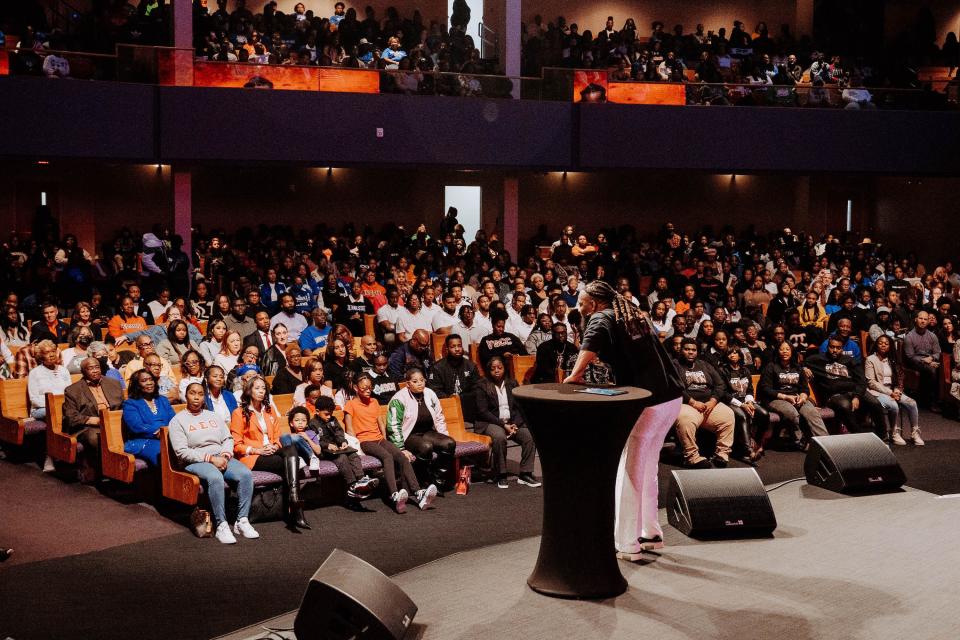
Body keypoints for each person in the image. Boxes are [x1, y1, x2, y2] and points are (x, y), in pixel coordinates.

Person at [563, 279, 683, 559]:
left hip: (649, 402)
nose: (578, 307)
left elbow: (581, 364)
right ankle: (650, 534)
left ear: (594, 302)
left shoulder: (600, 318)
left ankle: (627, 543)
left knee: (629, 469)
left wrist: (573, 376)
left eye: (581, 302)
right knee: (648, 466)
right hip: (672, 397)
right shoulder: (632, 314)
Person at [169, 382, 259, 544]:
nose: (196, 397)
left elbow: (227, 438)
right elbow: (182, 452)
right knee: (215, 477)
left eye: (200, 394)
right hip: (195, 460)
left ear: (205, 396)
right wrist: (211, 459)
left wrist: (225, 454)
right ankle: (222, 524)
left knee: (245, 474)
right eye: (192, 393)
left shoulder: (213, 416)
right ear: (186, 395)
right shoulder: (178, 420)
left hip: (220, 455)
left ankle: (242, 520)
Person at [230, 376, 310, 529]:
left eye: (263, 388)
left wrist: (275, 445)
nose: (261, 391)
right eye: (257, 388)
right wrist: (257, 449)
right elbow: (236, 444)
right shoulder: (238, 413)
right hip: (253, 457)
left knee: (290, 450)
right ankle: (296, 510)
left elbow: (278, 437)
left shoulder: (269, 410)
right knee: (292, 463)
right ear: (249, 390)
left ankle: (293, 499)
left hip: (272, 452)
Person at [344, 373, 424, 513]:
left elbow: (381, 423)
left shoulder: (374, 402)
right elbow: (349, 429)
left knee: (400, 455)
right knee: (387, 456)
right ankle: (394, 494)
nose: (368, 390)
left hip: (379, 438)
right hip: (364, 441)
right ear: (356, 388)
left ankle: (418, 493)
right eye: (364, 388)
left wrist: (385, 440)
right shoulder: (350, 404)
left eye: (370, 387)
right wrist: (356, 448)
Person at [474, 357, 539, 489]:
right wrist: (503, 425)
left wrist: (515, 423)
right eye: (493, 369)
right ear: (488, 370)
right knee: (499, 437)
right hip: (490, 422)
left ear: (505, 368)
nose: (497, 371)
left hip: (510, 422)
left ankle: (525, 473)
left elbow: (520, 407)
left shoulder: (512, 383)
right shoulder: (481, 385)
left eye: (500, 368)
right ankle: (501, 474)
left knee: (529, 437)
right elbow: (483, 412)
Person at [387, 368, 453, 494]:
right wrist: (400, 448)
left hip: (427, 432)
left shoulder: (430, 394)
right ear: (408, 384)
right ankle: (423, 479)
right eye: (415, 381)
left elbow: (439, 416)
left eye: (422, 380)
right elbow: (393, 425)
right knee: (425, 447)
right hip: (408, 435)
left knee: (449, 443)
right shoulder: (399, 399)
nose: (420, 383)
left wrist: (443, 435)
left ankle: (437, 478)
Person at [806, 335, 886, 438]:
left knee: (875, 403)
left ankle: (882, 435)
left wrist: (857, 396)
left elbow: (861, 380)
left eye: (838, 348)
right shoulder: (818, 359)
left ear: (842, 348)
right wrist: (804, 368)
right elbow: (798, 364)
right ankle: (859, 437)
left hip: (853, 391)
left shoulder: (850, 361)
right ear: (828, 347)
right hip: (834, 395)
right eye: (832, 347)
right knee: (845, 406)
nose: (835, 350)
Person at [300, 400, 378, 499]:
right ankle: (352, 484)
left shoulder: (333, 420)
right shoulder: (312, 424)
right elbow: (314, 440)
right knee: (342, 458)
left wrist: (343, 442)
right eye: (326, 414)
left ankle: (361, 479)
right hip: (324, 451)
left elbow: (339, 432)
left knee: (353, 455)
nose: (329, 416)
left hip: (338, 448)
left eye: (331, 414)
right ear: (317, 411)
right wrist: (327, 445)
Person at [62, 356, 124, 481]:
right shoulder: (73, 390)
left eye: (97, 367)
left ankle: (122, 469)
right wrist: (95, 420)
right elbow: (71, 417)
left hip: (114, 422)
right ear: (84, 371)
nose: (95, 370)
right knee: (96, 437)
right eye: (90, 368)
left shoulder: (114, 384)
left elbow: (124, 406)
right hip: (89, 427)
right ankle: (105, 470)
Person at [759, 342, 827, 448]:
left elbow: (804, 388)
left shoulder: (798, 367)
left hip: (796, 397)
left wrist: (803, 397)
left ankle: (825, 443)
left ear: (792, 352)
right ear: (778, 351)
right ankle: (800, 440)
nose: (785, 351)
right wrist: (785, 397)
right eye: (782, 349)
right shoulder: (771, 367)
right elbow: (765, 389)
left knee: (812, 413)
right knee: (792, 413)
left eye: (787, 349)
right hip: (776, 399)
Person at [865, 335, 923, 446]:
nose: (883, 345)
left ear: (890, 346)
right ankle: (893, 432)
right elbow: (871, 382)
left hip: (893, 390)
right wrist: (890, 393)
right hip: (878, 391)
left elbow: (899, 377)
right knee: (893, 406)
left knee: (912, 403)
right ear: (876, 345)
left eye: (886, 343)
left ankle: (914, 433)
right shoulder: (870, 359)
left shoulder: (892, 359)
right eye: (880, 343)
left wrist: (897, 390)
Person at [720, 348, 767, 464]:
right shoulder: (723, 371)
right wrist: (742, 405)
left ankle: (756, 442)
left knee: (764, 414)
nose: (732, 355)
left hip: (746, 401)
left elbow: (750, 389)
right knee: (742, 415)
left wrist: (749, 402)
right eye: (730, 353)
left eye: (735, 353)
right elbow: (723, 393)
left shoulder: (745, 370)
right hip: (731, 402)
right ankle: (748, 451)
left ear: (740, 356)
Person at [122, 369, 176, 467]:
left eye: (151, 379)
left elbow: (174, 420)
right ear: (137, 385)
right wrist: (162, 430)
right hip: (141, 441)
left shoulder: (163, 400)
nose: (149, 383)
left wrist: (166, 431)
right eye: (144, 380)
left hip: (167, 437)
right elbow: (137, 426)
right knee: (163, 453)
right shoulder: (130, 404)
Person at [427, 334, 478, 423]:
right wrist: (451, 399)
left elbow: (477, 388)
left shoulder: (470, 366)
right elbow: (434, 390)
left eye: (459, 346)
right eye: (453, 346)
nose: (457, 349)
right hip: (445, 407)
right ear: (447, 349)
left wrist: (461, 398)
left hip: (467, 405)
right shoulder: (437, 368)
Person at [903, 310, 941, 409]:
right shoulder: (909, 337)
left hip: (930, 360)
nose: (923, 321)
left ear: (928, 321)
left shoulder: (932, 336)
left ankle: (941, 399)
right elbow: (910, 357)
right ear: (916, 319)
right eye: (920, 318)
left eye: (925, 319)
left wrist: (931, 358)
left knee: (941, 369)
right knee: (931, 370)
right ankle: (932, 401)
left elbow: (937, 352)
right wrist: (924, 361)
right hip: (914, 362)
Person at [27, 339, 72, 421]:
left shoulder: (64, 370)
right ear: (40, 356)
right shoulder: (35, 373)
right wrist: (53, 405)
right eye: (46, 352)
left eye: (53, 351)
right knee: (57, 411)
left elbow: (69, 393)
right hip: (41, 409)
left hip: (62, 406)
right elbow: (34, 399)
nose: (51, 355)